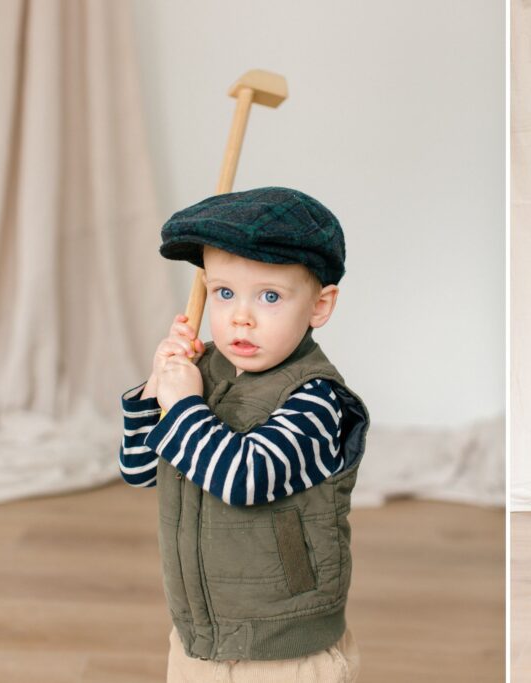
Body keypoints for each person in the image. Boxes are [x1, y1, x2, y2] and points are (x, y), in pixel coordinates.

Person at [118, 186, 369, 682]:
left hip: (285, 646)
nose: (241, 316)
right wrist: (158, 386)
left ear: (319, 306)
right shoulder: (203, 371)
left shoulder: (317, 400)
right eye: (224, 292)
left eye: (270, 296)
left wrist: (185, 405)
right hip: (199, 634)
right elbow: (139, 470)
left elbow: (244, 480)